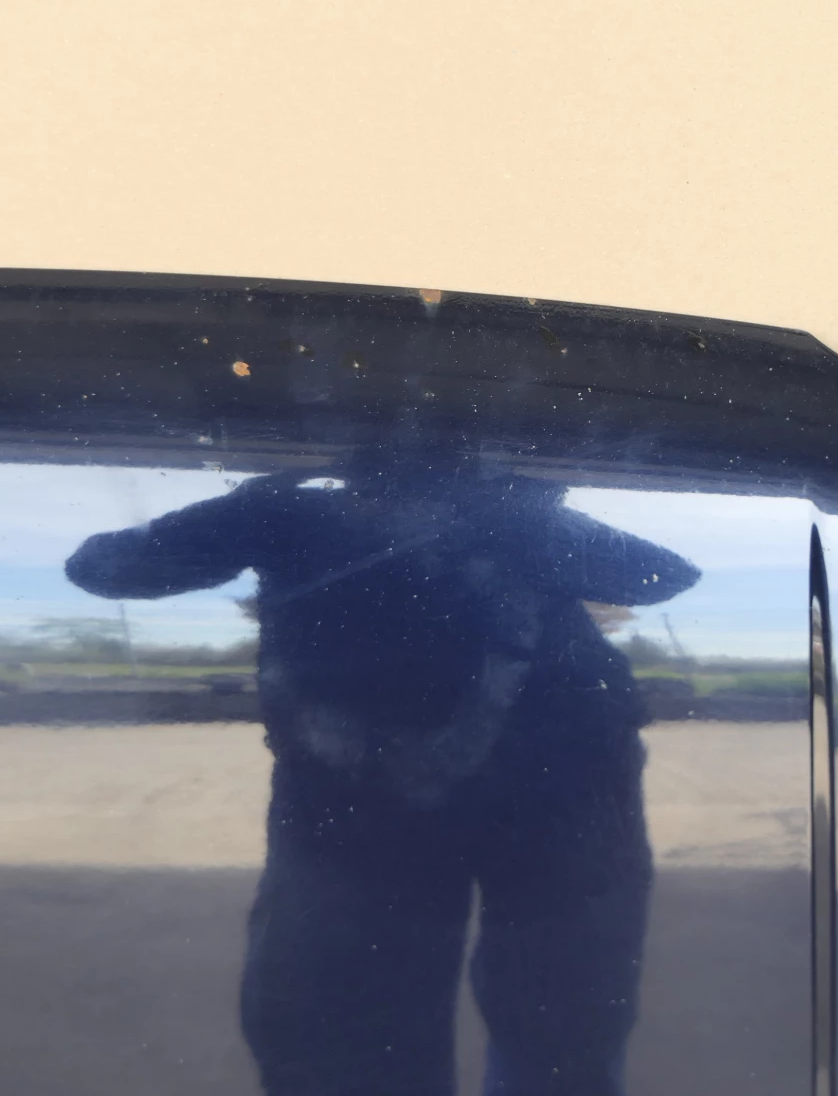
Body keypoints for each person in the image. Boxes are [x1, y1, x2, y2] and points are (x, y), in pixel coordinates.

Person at [66, 447, 700, 1096]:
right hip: (362, 799)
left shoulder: (513, 521)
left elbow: (662, 575)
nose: (415, 455)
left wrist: (515, 513)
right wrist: (252, 508)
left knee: (563, 1015)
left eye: (435, 448)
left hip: (554, 788)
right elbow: (100, 568)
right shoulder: (292, 518)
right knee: (350, 1024)